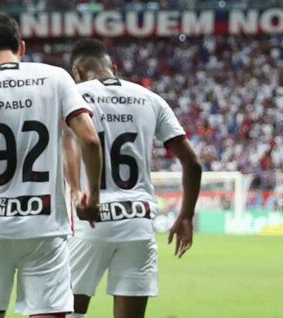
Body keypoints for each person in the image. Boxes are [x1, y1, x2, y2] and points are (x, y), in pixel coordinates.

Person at [0, 13, 102, 318]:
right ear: (22, 47)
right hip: (45, 226)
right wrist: (92, 196)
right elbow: (90, 140)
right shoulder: (57, 78)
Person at [63, 38, 202, 318]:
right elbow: (193, 164)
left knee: (67, 311)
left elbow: (70, 144)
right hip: (138, 222)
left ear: (77, 72)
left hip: (90, 218)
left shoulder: (73, 95)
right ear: (113, 67)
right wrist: (185, 216)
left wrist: (78, 190)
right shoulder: (150, 99)